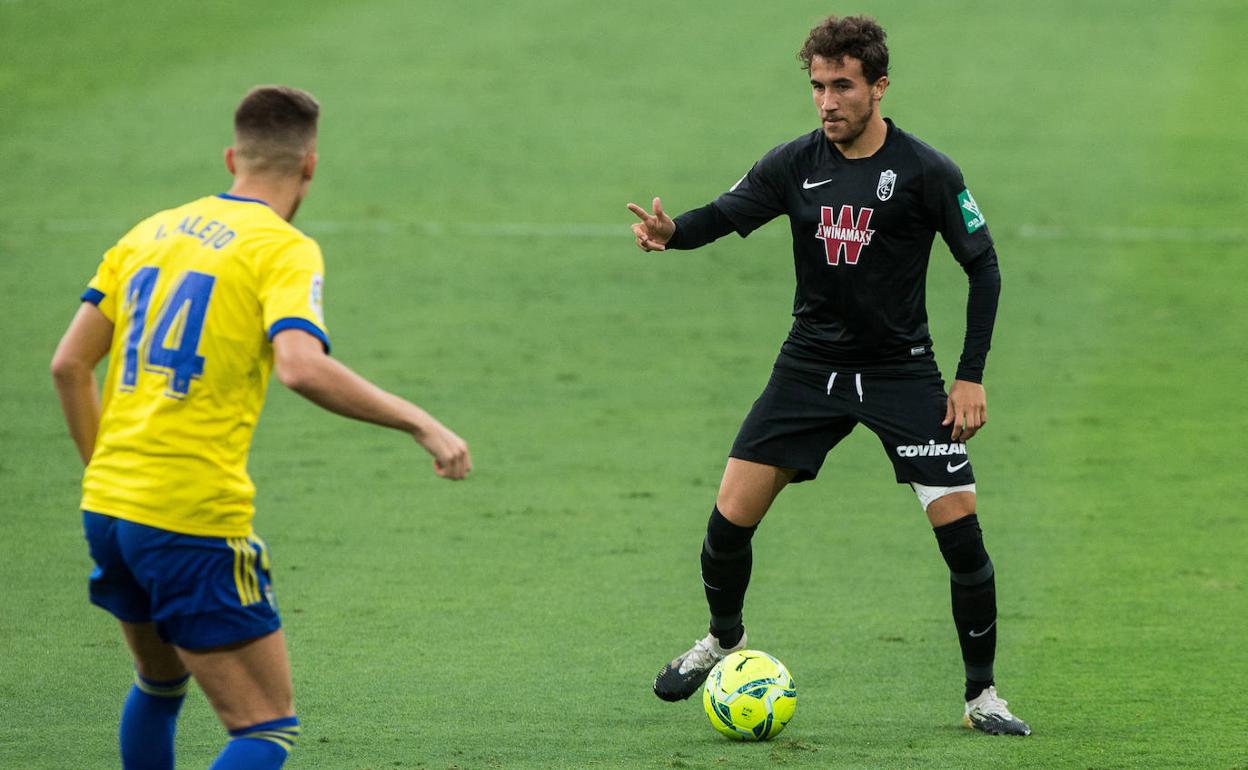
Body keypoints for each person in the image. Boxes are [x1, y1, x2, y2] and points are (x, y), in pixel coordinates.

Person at [628, 16, 1029, 736]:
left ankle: (982, 698)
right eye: (817, 86)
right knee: (727, 523)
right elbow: (724, 213)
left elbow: (984, 266)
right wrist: (673, 233)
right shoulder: (793, 163)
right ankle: (723, 638)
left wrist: (969, 377)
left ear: (879, 86)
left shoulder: (927, 172)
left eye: (842, 86)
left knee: (962, 539)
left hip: (902, 373)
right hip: (809, 367)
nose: (827, 101)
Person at [51, 85, 472, 769]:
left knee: (159, 684)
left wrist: (107, 472)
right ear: (310, 165)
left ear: (231, 158)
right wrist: (419, 420)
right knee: (264, 727)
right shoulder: (282, 248)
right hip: (188, 514)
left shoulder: (150, 231)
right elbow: (301, 368)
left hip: (108, 506)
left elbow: (69, 365)